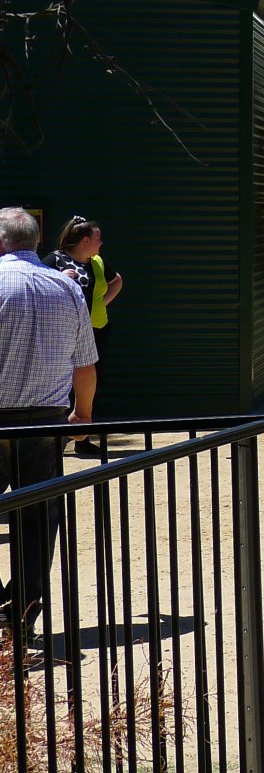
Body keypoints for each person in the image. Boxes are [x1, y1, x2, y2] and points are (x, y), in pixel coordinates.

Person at [0, 207, 97, 642]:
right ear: (37, 241)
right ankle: (23, 613)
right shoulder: (67, 287)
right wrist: (83, 414)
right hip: (46, 421)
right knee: (38, 519)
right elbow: (85, 365)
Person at [44, 216, 121, 455]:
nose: (101, 244)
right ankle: (56, 438)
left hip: (94, 331)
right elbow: (38, 287)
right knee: (61, 384)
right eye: (99, 239)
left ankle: (82, 437)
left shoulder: (96, 262)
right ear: (86, 240)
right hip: (61, 334)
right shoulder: (54, 260)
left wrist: (100, 305)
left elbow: (116, 281)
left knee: (88, 385)